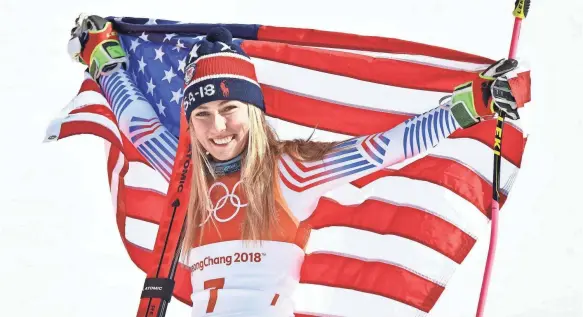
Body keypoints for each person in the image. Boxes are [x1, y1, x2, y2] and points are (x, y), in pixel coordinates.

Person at [70, 16, 531, 317]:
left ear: (253, 113)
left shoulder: (288, 172)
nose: (218, 127)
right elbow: (137, 124)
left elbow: (380, 150)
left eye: (230, 110)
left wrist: (466, 108)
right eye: (203, 116)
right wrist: (103, 57)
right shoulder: (185, 174)